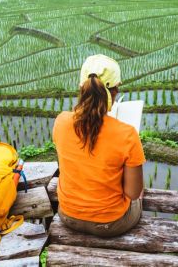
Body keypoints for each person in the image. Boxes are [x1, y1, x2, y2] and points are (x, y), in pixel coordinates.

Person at [51, 54, 145, 237]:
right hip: (112, 223)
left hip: (68, 215)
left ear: (81, 88)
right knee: (139, 190)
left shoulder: (61, 122)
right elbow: (133, 193)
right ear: (115, 91)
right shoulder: (127, 134)